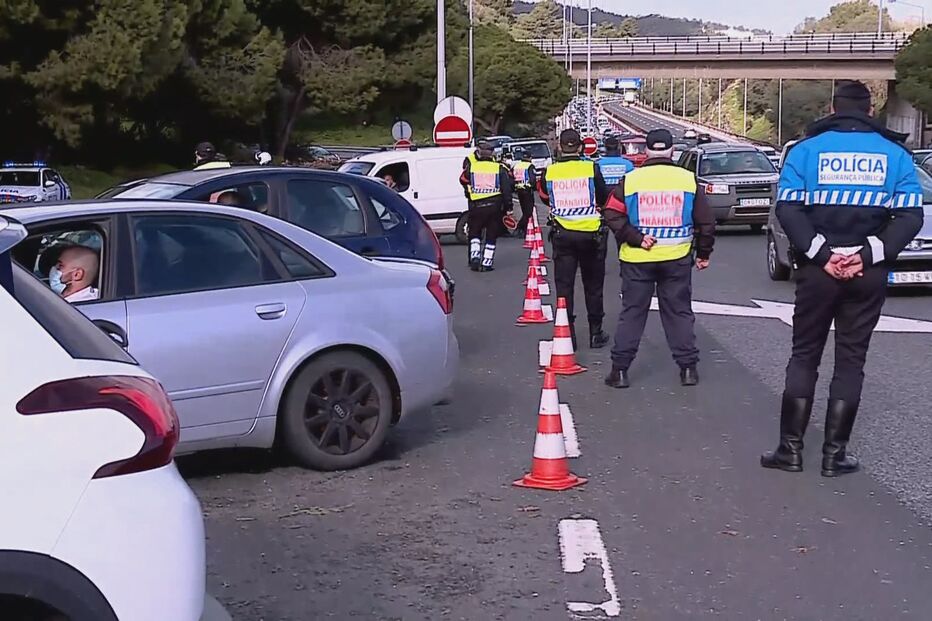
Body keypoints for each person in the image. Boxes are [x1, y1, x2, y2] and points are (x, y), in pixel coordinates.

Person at [760, 80, 924, 477]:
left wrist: (822, 254)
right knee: (851, 361)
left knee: (804, 355)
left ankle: (791, 450)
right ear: (871, 111)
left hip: (818, 272)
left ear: (833, 109)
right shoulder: (896, 155)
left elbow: (788, 209)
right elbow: (909, 217)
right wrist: (866, 255)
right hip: (868, 274)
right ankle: (835, 455)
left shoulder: (805, 151)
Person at [602, 129, 715, 389]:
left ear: (646, 152)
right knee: (678, 313)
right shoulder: (687, 179)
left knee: (632, 313)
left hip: (637, 259)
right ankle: (688, 370)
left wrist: (635, 237)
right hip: (677, 258)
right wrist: (704, 253)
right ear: (672, 151)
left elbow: (611, 213)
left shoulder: (631, 180)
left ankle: (619, 371)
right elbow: (706, 221)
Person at [537, 129, 611, 349]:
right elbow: (604, 196)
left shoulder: (550, 171)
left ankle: (567, 332)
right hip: (591, 235)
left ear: (560, 146)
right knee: (593, 285)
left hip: (563, 235)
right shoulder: (590, 168)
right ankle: (595, 333)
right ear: (580, 147)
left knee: (564, 286)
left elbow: (543, 196)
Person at [460, 139, 513, 271]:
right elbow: (507, 189)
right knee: (491, 235)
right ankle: (487, 263)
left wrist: (469, 192)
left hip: (476, 206)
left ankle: (475, 258)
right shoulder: (499, 168)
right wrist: (509, 207)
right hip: (494, 206)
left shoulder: (471, 167)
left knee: (475, 233)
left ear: (479, 153)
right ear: (492, 154)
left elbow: (462, 180)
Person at [511, 148, 537, 236]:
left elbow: (511, 177)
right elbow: (532, 179)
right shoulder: (530, 166)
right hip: (527, 190)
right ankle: (519, 228)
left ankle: (524, 229)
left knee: (524, 211)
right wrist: (534, 187)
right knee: (528, 212)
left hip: (519, 191)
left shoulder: (516, 166)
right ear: (530, 158)